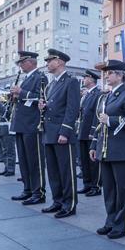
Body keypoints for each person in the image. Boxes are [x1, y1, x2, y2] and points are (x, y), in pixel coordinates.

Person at [89, 59, 125, 239]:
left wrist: (111, 120)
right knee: (109, 189)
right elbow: (98, 122)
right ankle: (110, 221)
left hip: (121, 148)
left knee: (123, 189)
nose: (106, 76)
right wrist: (94, 144)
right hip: (105, 148)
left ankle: (122, 224)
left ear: (119, 75)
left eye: (109, 73)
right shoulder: (106, 96)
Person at [37, 49, 80, 218]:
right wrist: (44, 107)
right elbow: (55, 106)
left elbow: (72, 109)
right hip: (49, 133)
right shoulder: (51, 84)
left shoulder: (71, 82)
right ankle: (58, 201)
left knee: (66, 171)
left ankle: (69, 205)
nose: (47, 64)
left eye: (50, 60)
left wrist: (65, 132)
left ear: (60, 61)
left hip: (62, 134)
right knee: (53, 171)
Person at [9, 51, 46, 205]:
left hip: (32, 124)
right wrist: (14, 96)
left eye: (22, 63)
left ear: (31, 62)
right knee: (24, 160)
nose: (20, 65)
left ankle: (38, 192)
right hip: (21, 124)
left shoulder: (40, 77)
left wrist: (21, 92)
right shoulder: (26, 78)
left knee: (34, 160)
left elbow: (41, 97)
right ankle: (28, 189)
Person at [77, 70, 101, 197]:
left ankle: (95, 186)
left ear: (91, 79)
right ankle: (87, 184)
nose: (83, 79)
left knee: (93, 162)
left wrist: (93, 131)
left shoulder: (98, 94)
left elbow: (96, 115)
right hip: (82, 132)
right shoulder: (87, 95)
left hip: (90, 133)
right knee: (84, 160)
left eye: (85, 77)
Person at [0, 92, 16, 176]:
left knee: (9, 150)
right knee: (4, 150)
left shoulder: (14, 104)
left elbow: (8, 114)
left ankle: (10, 169)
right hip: (1, 129)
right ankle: (6, 167)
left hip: (8, 130)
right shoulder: (4, 103)